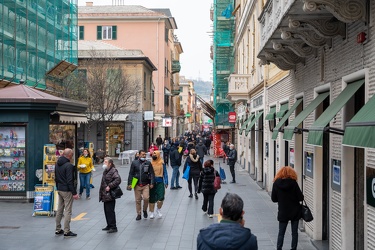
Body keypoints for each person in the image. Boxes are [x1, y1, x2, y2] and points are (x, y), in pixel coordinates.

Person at [271, 166, 304, 250]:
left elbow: (273, 199)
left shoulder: (276, 183)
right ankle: (293, 248)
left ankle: (279, 248)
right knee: (294, 233)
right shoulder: (293, 183)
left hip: (283, 211)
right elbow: (301, 197)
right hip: (295, 211)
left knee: (281, 232)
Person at [54, 148, 79, 237]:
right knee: (68, 210)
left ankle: (57, 229)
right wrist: (74, 193)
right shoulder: (69, 165)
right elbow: (70, 181)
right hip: (67, 190)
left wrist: (58, 187)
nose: (72, 157)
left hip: (60, 189)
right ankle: (66, 231)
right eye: (72, 155)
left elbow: (56, 177)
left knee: (59, 209)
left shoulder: (57, 163)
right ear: (69, 155)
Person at [127, 150, 155, 220]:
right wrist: (130, 183)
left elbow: (151, 173)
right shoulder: (134, 163)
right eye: (142, 155)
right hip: (136, 183)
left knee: (146, 198)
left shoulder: (148, 163)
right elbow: (131, 173)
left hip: (145, 184)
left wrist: (152, 182)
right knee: (138, 200)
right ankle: (138, 214)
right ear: (139, 155)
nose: (144, 156)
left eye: (145, 155)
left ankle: (144, 210)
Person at [99, 157, 121, 233]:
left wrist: (110, 186)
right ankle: (109, 225)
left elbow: (118, 179)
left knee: (110, 210)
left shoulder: (113, 170)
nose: (104, 163)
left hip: (110, 194)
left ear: (110, 163)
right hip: (105, 194)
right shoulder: (106, 171)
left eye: (105, 162)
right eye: (104, 162)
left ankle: (113, 226)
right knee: (106, 210)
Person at [149, 151, 168, 219]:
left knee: (161, 196)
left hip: (160, 181)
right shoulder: (150, 163)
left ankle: (158, 209)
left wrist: (166, 182)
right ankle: (151, 212)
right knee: (152, 197)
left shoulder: (162, 163)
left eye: (155, 154)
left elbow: (165, 173)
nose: (154, 155)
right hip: (152, 182)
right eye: (153, 154)